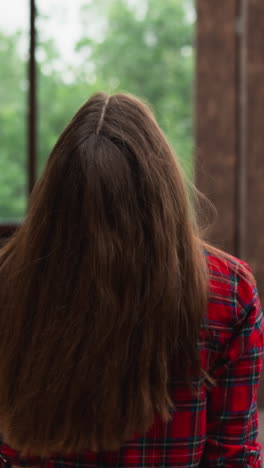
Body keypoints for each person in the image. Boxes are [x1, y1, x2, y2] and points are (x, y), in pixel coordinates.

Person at [0, 92, 263, 468]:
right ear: (163, 191)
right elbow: (232, 458)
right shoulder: (229, 292)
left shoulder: (9, 283)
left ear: (54, 197)